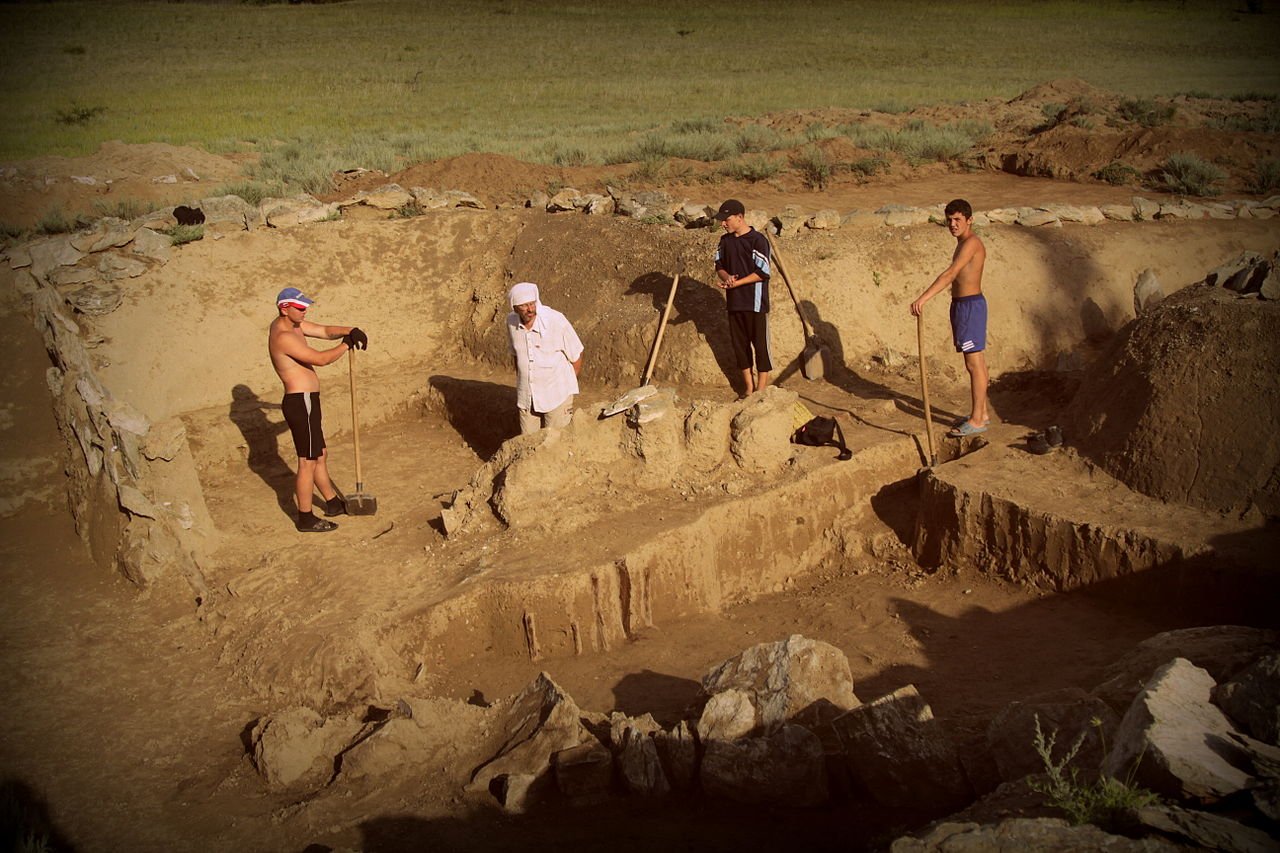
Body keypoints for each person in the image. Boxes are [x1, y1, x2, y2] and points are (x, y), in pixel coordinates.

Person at [268, 287, 368, 532]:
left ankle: (332, 503)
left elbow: (323, 331)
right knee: (308, 461)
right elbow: (320, 359)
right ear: (284, 308)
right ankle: (305, 517)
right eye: (300, 308)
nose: (305, 312)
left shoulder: (293, 324)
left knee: (320, 454)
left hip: (308, 402)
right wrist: (346, 345)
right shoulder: (284, 336)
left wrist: (350, 330)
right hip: (301, 403)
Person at [909, 198, 989, 436]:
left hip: (970, 308)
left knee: (974, 364)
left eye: (957, 220)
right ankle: (982, 414)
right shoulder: (963, 242)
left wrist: (923, 298)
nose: (953, 224)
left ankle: (976, 421)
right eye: (949, 220)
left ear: (969, 220)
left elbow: (951, 273)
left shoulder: (971, 243)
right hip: (963, 306)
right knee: (976, 363)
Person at [713, 199, 773, 397]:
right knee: (740, 347)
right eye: (722, 220)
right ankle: (749, 388)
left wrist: (737, 283)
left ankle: (761, 389)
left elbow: (763, 272)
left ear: (740, 218)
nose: (723, 224)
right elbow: (719, 265)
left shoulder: (757, 241)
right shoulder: (725, 241)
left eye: (726, 219)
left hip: (755, 304)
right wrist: (727, 278)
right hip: (734, 303)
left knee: (760, 346)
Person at [507, 281, 583, 434]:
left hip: (558, 395)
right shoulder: (511, 322)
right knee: (527, 443)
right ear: (514, 308)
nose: (530, 310)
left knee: (556, 443)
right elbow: (516, 354)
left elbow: (577, 353)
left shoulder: (555, 320)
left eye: (532, 304)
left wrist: (567, 383)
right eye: (524, 306)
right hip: (527, 396)